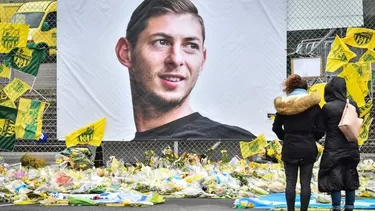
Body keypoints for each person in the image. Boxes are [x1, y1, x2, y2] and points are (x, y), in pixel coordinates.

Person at [115, 0, 256, 140]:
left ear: (202, 59)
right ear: (125, 52)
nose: (176, 59)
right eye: (161, 42)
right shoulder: (114, 157)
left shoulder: (238, 146)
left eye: (190, 46)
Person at [272, 74, 325, 211]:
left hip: (290, 147)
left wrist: (286, 137)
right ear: (305, 88)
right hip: (308, 147)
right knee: (305, 183)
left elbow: (276, 127)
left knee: (290, 183)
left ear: (290, 88)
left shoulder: (284, 106)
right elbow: (321, 129)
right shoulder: (314, 106)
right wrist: (311, 138)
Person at [318, 77, 360, 211]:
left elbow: (321, 127)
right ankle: (350, 205)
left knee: (334, 175)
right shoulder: (352, 105)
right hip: (351, 145)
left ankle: (336, 206)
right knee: (350, 174)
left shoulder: (327, 107)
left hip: (333, 147)